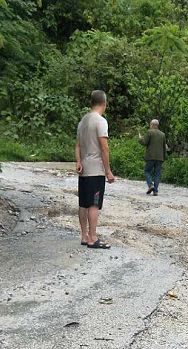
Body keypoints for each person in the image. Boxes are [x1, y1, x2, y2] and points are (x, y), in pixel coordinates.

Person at [75, 89, 115, 249]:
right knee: (94, 204)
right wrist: (108, 171)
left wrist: (78, 161)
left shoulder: (82, 121)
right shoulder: (100, 121)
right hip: (95, 169)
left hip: (83, 169)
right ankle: (93, 238)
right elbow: (104, 148)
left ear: (91, 103)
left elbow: (77, 145)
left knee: (83, 203)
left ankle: (84, 235)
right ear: (104, 103)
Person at [139, 119, 167, 196]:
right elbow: (164, 147)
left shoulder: (149, 132)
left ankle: (150, 185)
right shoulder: (163, 134)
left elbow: (144, 142)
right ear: (157, 125)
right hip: (160, 157)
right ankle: (155, 191)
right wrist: (164, 157)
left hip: (150, 156)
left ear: (151, 125)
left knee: (147, 171)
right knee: (157, 174)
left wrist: (140, 138)